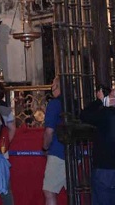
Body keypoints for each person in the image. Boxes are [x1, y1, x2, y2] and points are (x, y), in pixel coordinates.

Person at [79, 86, 115, 205]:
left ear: (114, 100)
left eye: (110, 95)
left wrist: (99, 101)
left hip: (104, 169)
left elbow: (84, 116)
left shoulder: (107, 114)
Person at [42, 77, 66, 205]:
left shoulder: (54, 104)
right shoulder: (74, 102)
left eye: (53, 84)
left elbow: (49, 131)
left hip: (58, 151)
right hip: (73, 150)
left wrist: (45, 147)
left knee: (49, 191)